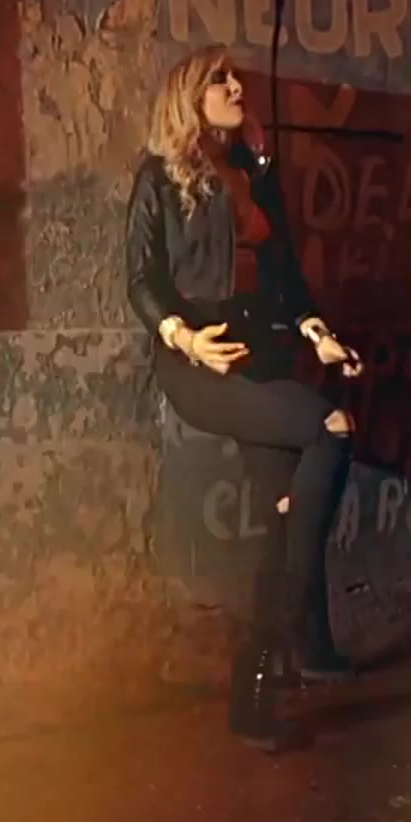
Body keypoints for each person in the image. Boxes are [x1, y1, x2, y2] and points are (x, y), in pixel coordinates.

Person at [124, 43, 364, 750]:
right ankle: (287, 644)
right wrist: (183, 339)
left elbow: (284, 273)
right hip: (202, 363)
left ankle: (282, 673)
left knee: (281, 510)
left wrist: (317, 332)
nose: (237, 87)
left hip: (262, 354)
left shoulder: (252, 173)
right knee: (331, 427)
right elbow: (139, 277)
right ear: (190, 96)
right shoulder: (159, 177)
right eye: (221, 80)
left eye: (238, 79)